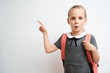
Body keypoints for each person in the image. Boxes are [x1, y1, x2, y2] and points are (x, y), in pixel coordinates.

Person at [38, 5, 100, 73]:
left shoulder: (90, 38)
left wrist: (94, 49)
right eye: (73, 18)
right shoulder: (64, 38)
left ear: (85, 21)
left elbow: (96, 60)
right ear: (68, 21)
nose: (76, 21)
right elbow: (48, 49)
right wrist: (45, 34)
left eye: (80, 18)